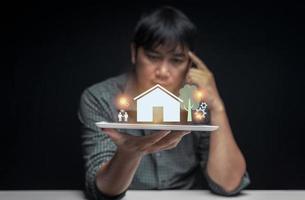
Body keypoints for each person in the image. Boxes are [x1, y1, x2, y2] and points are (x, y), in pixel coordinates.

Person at [78, 6, 250, 200]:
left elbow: (229, 184)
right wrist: (128, 153)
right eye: (152, 57)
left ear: (189, 63)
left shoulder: (194, 101)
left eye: (176, 60)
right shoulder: (100, 98)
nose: (162, 71)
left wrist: (217, 106)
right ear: (134, 52)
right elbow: (101, 190)